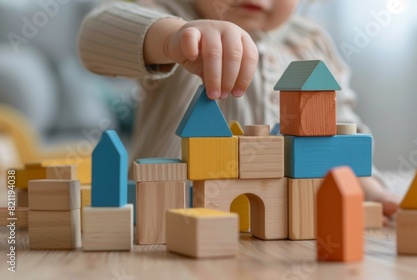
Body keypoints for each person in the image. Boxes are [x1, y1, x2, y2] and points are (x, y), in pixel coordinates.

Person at [78, 0, 399, 218]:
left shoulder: (311, 40)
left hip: (279, 227)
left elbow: (337, 128)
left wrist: (365, 186)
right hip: (167, 220)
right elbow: (94, 39)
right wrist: (171, 38)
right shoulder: (172, 16)